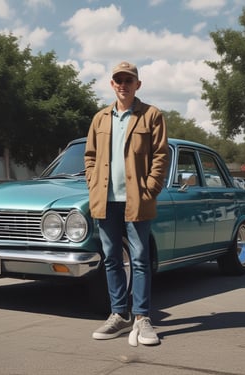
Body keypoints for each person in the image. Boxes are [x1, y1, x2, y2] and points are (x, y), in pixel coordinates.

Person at [84, 61, 169, 346]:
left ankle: (142, 318)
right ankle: (119, 315)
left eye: (128, 80)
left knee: (141, 259)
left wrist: (150, 189)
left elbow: (161, 156)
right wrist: (93, 184)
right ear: (112, 84)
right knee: (111, 259)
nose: (123, 84)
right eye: (118, 80)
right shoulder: (100, 118)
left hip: (137, 200)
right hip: (105, 201)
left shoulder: (151, 115)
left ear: (137, 85)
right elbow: (90, 156)